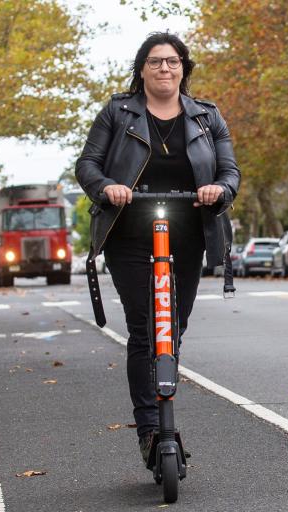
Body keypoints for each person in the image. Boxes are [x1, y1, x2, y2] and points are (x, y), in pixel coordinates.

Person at [74, 32, 241, 464]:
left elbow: (230, 172)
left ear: (183, 67)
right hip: (129, 232)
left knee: (174, 329)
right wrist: (107, 187)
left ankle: (164, 412)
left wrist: (217, 190)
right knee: (145, 329)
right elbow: (87, 164)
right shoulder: (118, 112)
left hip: (187, 232)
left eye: (172, 61)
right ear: (142, 69)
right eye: (155, 62)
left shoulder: (207, 117)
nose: (164, 68)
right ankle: (150, 429)